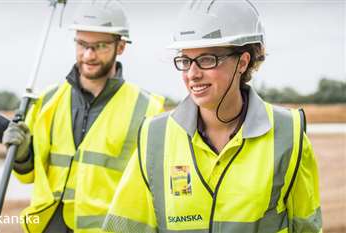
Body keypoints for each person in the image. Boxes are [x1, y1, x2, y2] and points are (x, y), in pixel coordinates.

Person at [102, 0, 322, 232]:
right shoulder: (155, 138)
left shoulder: (288, 135)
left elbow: (307, 227)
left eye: (207, 59)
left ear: (243, 61)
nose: (192, 74)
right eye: (186, 61)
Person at [2, 1, 164, 232]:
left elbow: (156, 190)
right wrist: (21, 156)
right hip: (49, 226)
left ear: (121, 47)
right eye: (82, 44)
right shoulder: (47, 100)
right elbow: (29, 176)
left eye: (99, 45)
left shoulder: (147, 109)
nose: (88, 54)